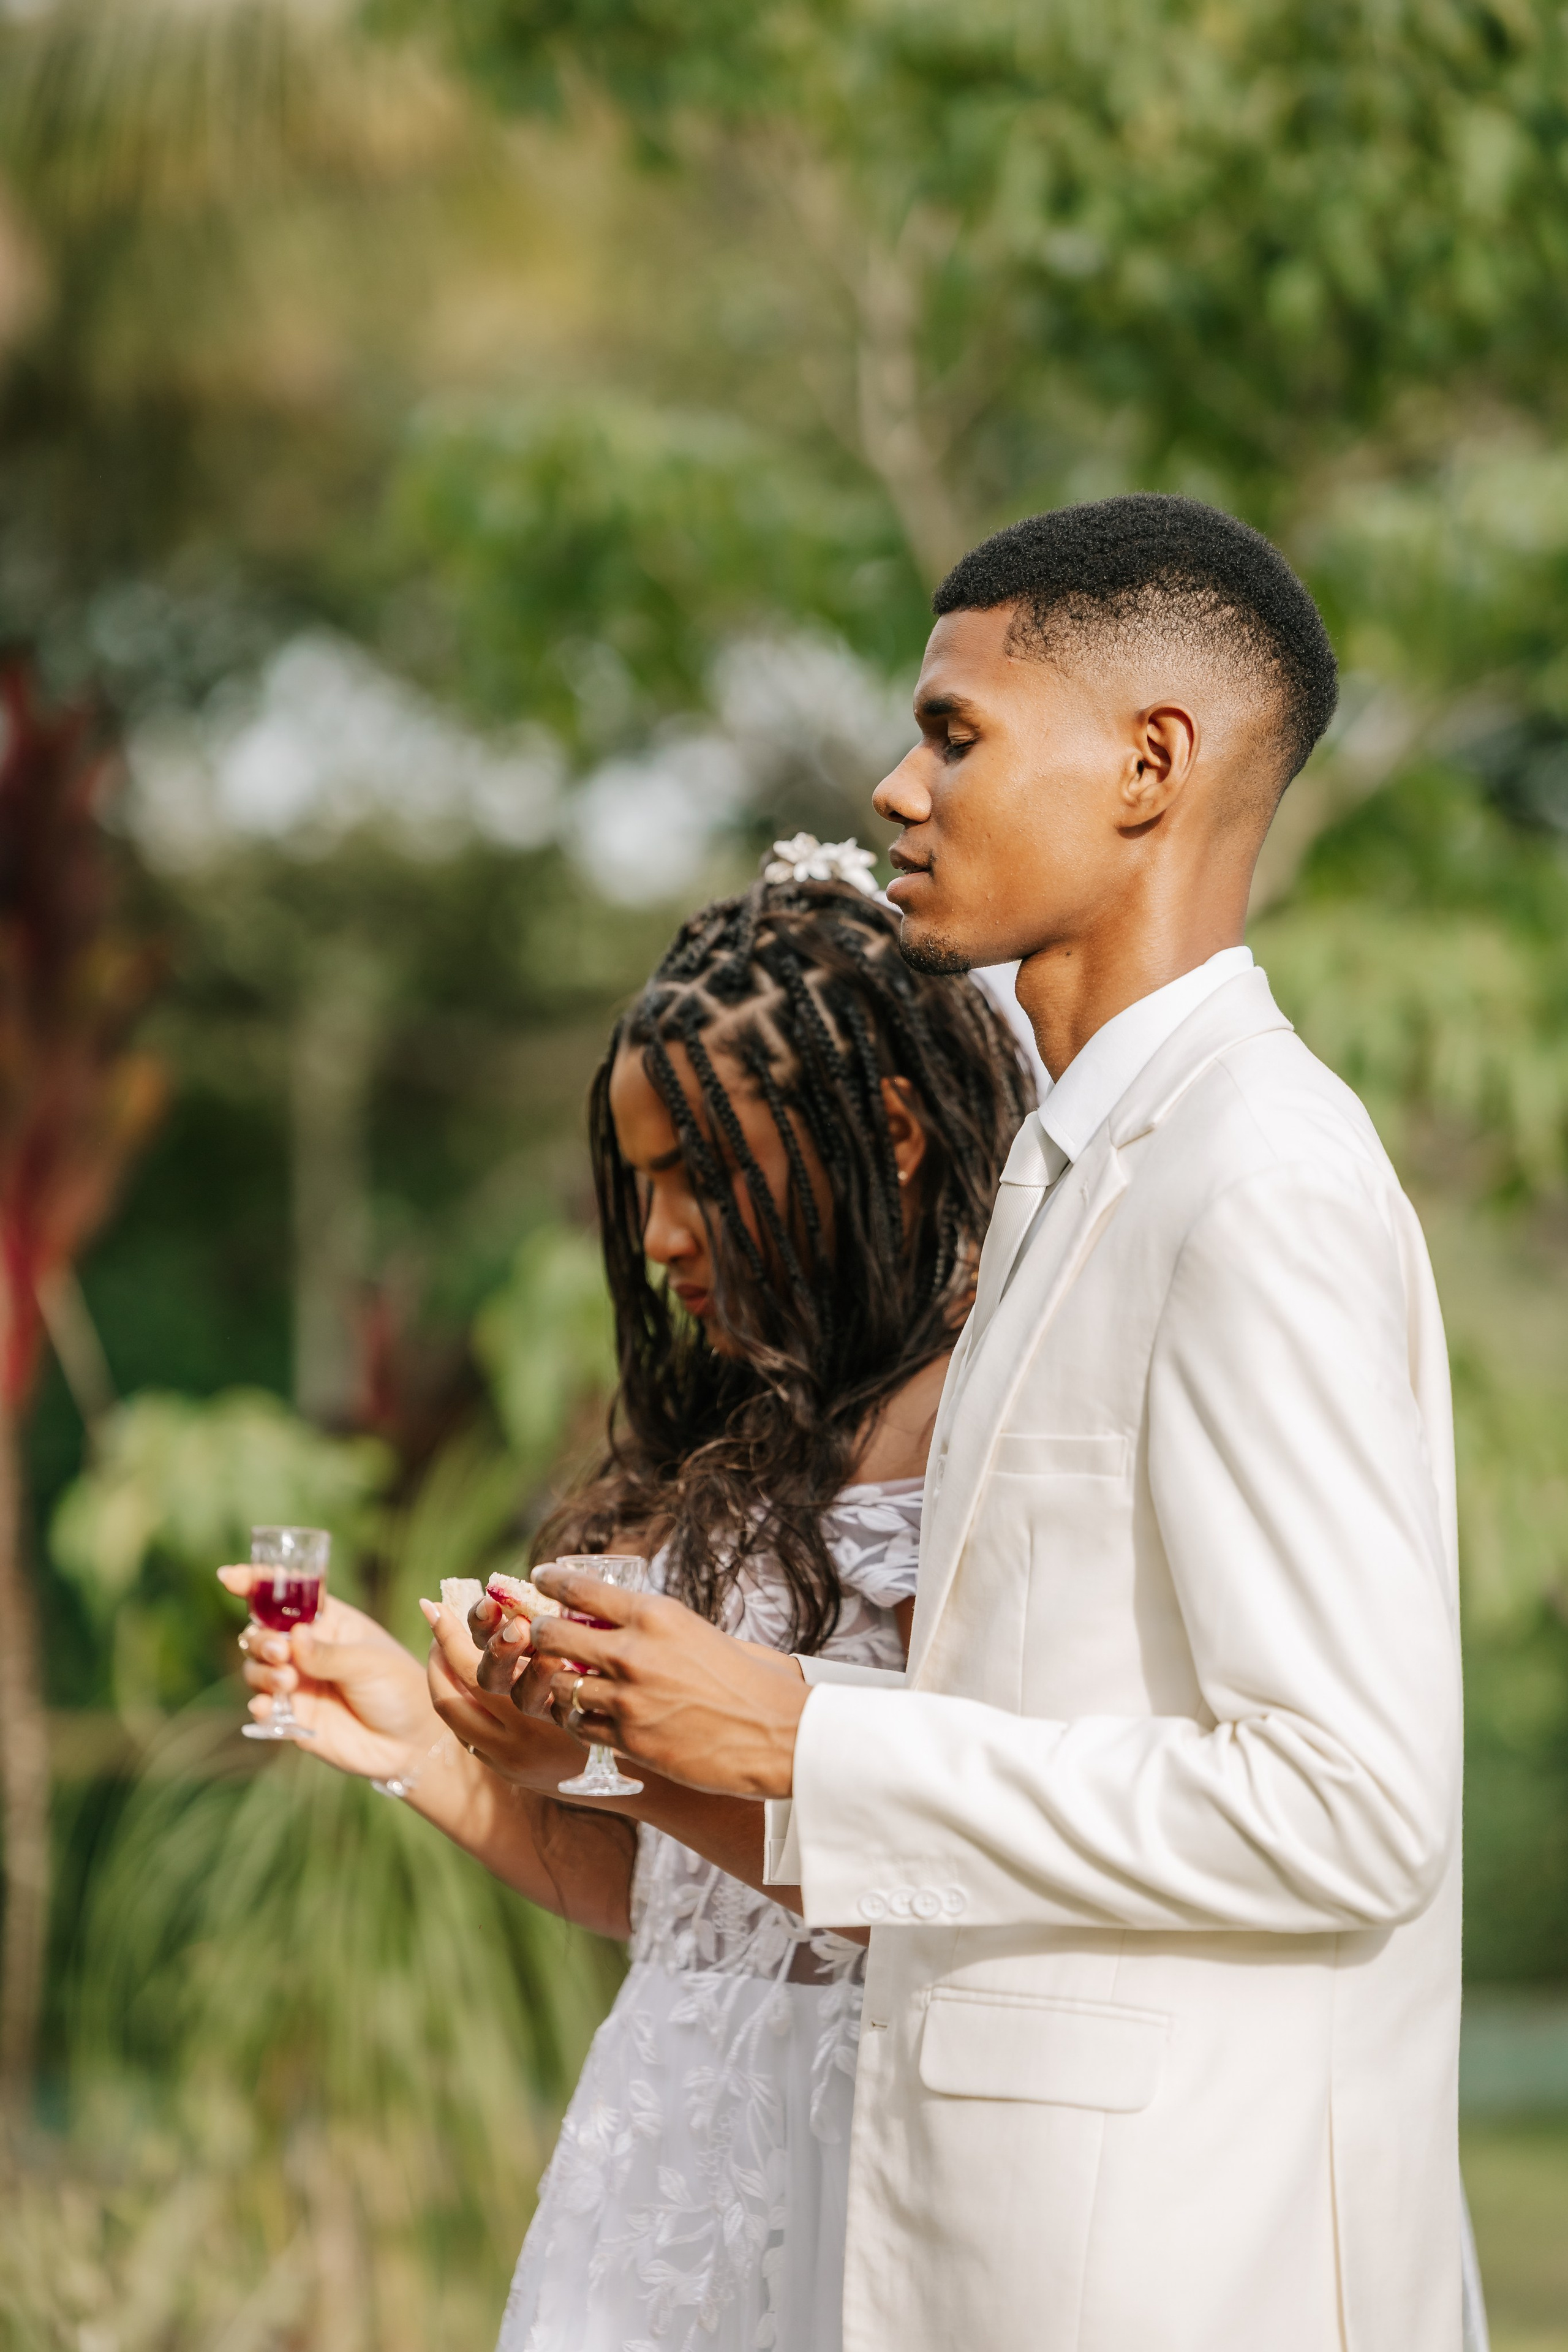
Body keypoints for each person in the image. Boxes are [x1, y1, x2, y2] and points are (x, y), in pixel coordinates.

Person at [518, 496, 1473, 2352]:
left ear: (1150, 764)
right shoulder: (1070, 1172)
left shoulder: (1256, 1174)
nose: (896, 788)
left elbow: (1356, 1806)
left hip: (1185, 2269)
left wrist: (805, 1733)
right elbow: (1074, 1744)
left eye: (954, 733)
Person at [225, 861, 1032, 2352]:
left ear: (894, 1136)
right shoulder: (750, 1426)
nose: (658, 1237)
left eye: (703, 1177)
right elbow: (668, 1914)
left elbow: (967, 1887)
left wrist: (659, 1775)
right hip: (662, 2149)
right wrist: (418, 1737)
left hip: (866, 2157)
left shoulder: (996, 1421)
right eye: (641, 1179)